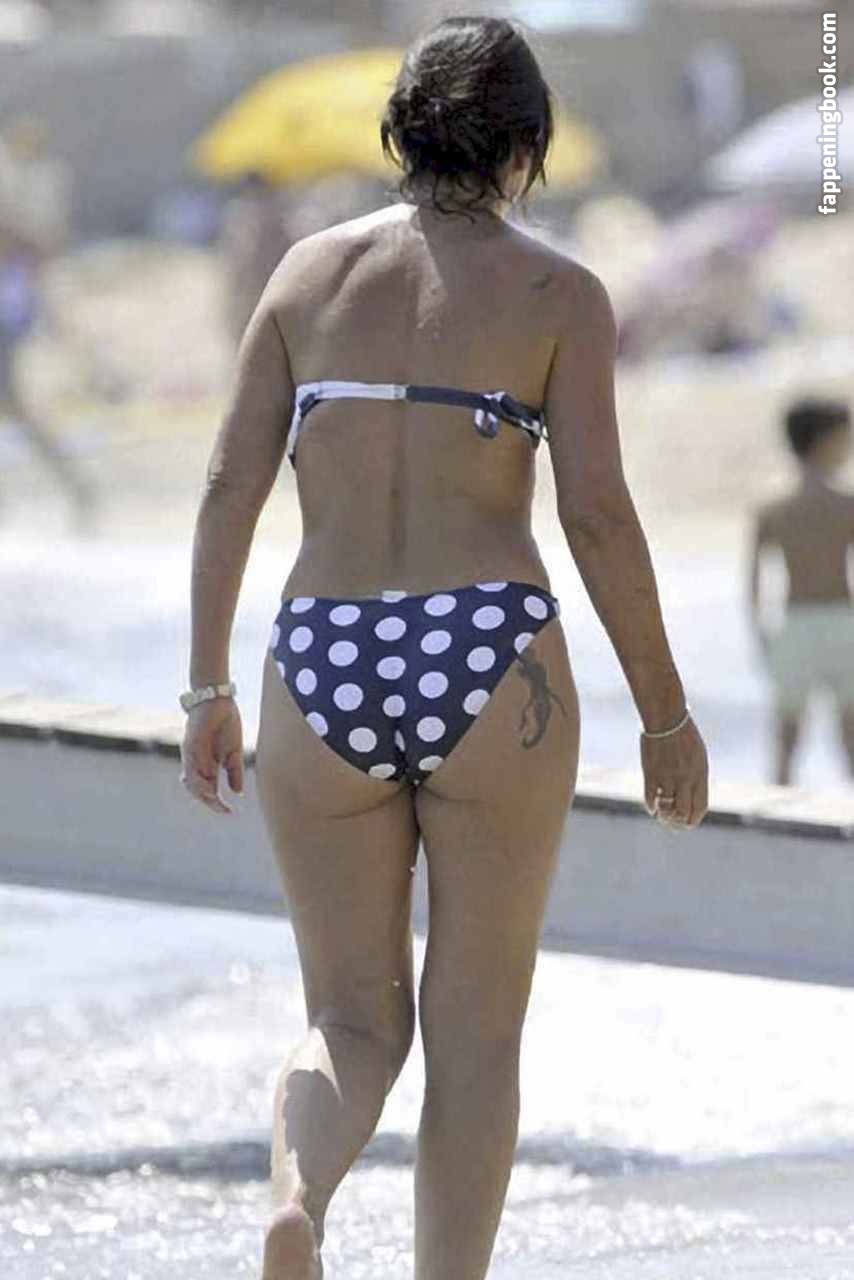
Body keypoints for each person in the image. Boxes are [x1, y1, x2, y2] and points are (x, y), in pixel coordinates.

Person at [179, 16, 709, 1280]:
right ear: (525, 145)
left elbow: (227, 487)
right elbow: (594, 512)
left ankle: (299, 1202)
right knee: (474, 1034)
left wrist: (205, 686)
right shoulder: (556, 294)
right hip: (488, 651)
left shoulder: (304, 277)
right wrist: (664, 712)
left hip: (320, 653)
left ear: (400, 134)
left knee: (349, 1015)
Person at [748, 396, 854, 785]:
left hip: (794, 624)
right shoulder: (847, 506)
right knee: (851, 736)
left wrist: (762, 638)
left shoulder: (773, 510)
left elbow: (754, 586)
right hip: (842, 620)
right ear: (826, 441)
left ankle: (775, 811)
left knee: (786, 739)